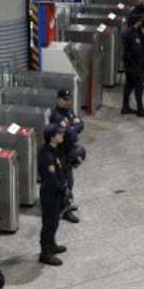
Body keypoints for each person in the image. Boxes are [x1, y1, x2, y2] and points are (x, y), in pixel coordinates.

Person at [49, 88, 86, 223]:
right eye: (65, 100)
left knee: (69, 180)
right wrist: (73, 128)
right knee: (64, 181)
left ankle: (65, 205)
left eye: (69, 99)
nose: (68, 102)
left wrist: (72, 128)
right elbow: (69, 132)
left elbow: (80, 125)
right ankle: (63, 210)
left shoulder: (69, 111)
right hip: (60, 153)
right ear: (58, 99)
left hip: (69, 151)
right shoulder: (56, 116)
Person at [38, 123, 68, 266]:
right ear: (52, 137)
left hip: (56, 192)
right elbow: (51, 179)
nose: (62, 135)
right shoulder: (47, 156)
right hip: (50, 193)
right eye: (59, 134)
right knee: (49, 223)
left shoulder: (54, 150)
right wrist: (62, 188)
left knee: (55, 221)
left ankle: (52, 245)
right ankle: (45, 253)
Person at [121, 13, 144, 118]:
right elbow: (136, 50)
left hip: (128, 64)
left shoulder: (127, 32)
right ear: (137, 22)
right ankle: (140, 109)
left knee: (128, 86)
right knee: (139, 86)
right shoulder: (133, 34)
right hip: (134, 65)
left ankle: (125, 107)